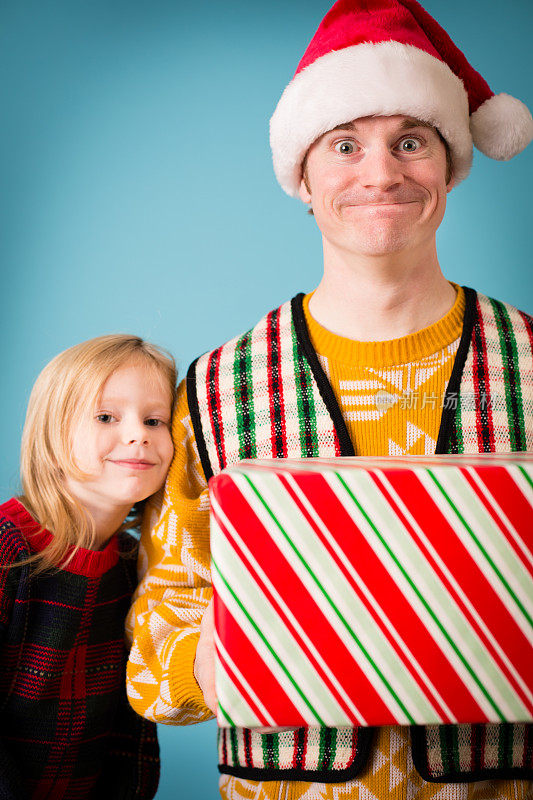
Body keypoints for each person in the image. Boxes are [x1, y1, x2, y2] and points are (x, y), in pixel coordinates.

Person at [126, 1, 533, 798]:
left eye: (409, 142)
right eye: (344, 146)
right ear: (303, 180)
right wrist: (242, 651)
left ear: (448, 167)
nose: (380, 174)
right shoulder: (216, 389)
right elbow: (158, 631)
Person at [0, 334, 177, 799]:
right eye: (106, 417)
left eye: (155, 420)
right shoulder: (8, 549)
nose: (138, 433)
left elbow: (129, 731)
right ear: (53, 436)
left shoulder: (132, 566)